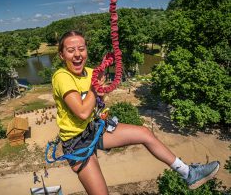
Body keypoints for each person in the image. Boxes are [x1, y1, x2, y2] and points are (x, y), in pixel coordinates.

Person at [52, 30, 220, 194]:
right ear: (61, 55)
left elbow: (96, 99)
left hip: (94, 128)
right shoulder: (62, 77)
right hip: (77, 143)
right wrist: (95, 88)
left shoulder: (90, 72)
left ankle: (188, 173)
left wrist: (100, 88)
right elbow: (82, 112)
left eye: (81, 49)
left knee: (144, 133)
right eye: (71, 50)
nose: (77, 54)